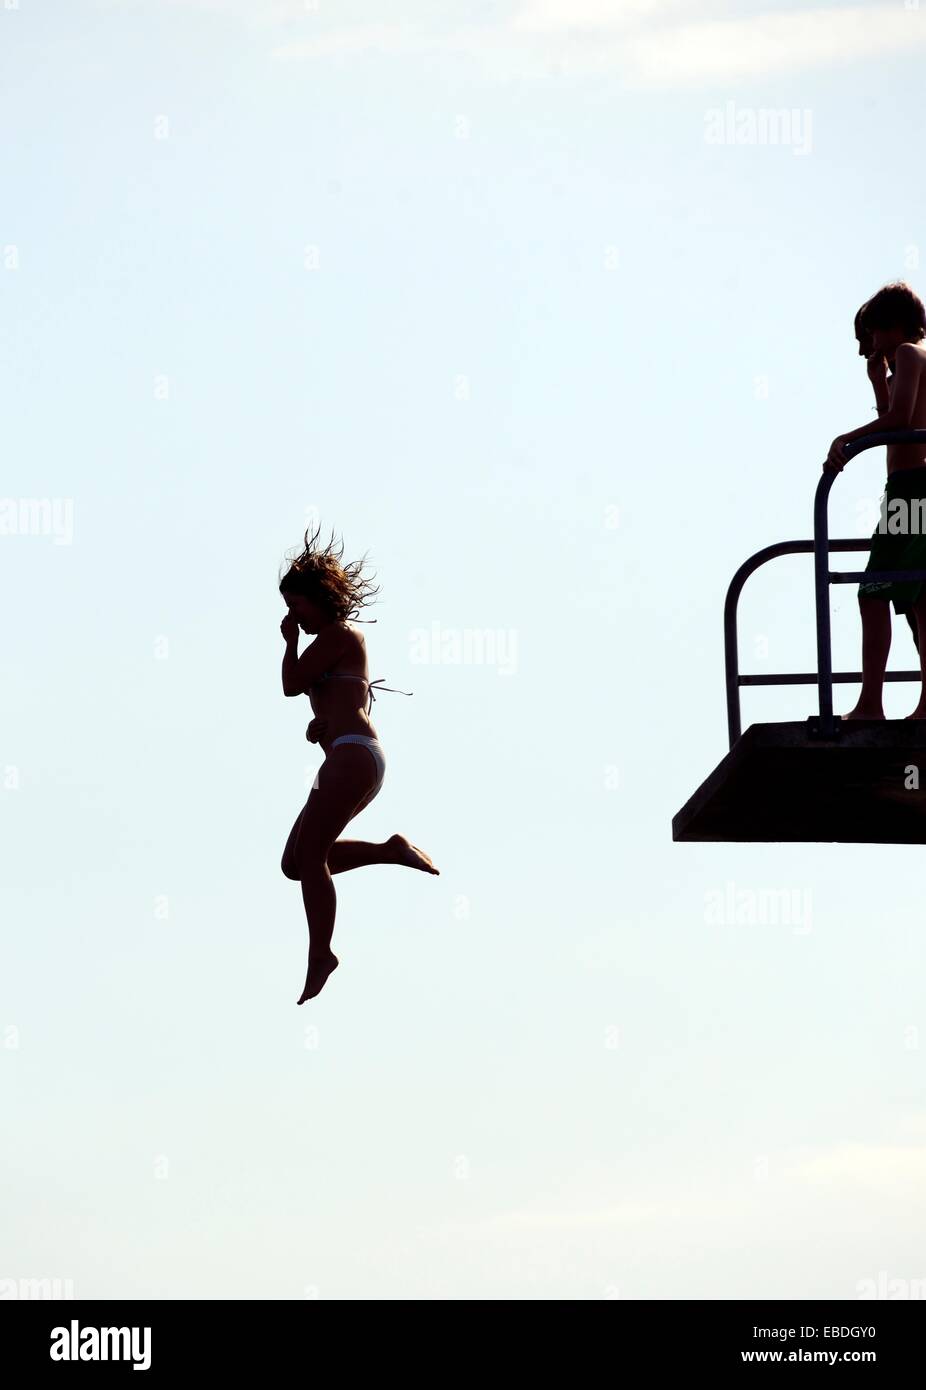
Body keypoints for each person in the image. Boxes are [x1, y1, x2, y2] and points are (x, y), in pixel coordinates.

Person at [279, 527, 438, 1003]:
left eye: (297, 606)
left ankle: (321, 954)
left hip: (354, 755)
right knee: (295, 863)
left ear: (320, 600)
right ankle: (390, 850)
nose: (292, 616)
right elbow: (333, 698)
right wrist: (319, 724)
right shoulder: (330, 644)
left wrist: (288, 644)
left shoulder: (339, 635)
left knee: (310, 858)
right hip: (347, 756)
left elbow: (291, 684)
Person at [827, 282, 926, 718]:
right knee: (894, 591)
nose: (869, 345)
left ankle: (885, 702)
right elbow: (898, 417)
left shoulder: (908, 352)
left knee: (895, 590)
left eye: (872, 334)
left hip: (915, 486)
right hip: (905, 487)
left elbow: (901, 421)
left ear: (892, 325)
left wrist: (846, 440)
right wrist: (877, 383)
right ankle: (880, 702)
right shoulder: (907, 358)